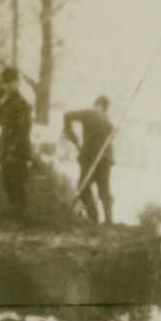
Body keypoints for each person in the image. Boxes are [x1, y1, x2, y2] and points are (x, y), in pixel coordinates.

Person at [62, 95, 115, 224]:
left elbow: (67, 115)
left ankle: (93, 217)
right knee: (104, 190)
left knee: (83, 187)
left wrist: (70, 134)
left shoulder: (89, 113)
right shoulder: (109, 123)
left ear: (97, 105)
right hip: (105, 159)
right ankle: (108, 220)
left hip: (90, 157)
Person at [0, 67, 33, 214]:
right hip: (5, 150)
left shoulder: (21, 104)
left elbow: (23, 131)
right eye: (5, 82)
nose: (7, 86)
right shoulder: (5, 103)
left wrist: (13, 151)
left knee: (17, 185)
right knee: (8, 184)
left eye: (10, 82)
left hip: (17, 151)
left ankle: (22, 220)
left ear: (17, 82)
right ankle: (16, 217)